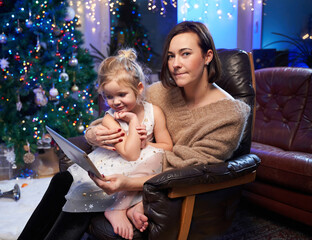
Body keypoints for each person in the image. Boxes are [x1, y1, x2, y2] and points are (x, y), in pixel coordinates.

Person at [19, 21, 250, 240]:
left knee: (82, 193)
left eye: (185, 54)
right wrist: (94, 134)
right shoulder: (162, 90)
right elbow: (117, 114)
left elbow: (193, 169)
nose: (175, 64)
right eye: (171, 56)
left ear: (208, 56)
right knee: (63, 180)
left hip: (164, 185)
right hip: (135, 165)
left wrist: (128, 180)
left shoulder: (230, 114)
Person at [62, 48, 172, 240]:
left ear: (138, 89)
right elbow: (130, 155)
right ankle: (115, 209)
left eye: (122, 94)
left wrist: (147, 144)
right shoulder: (110, 120)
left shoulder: (155, 111)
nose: (116, 102)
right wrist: (132, 122)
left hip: (143, 167)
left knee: (156, 161)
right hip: (120, 164)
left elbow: (167, 146)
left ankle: (134, 209)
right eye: (109, 97)